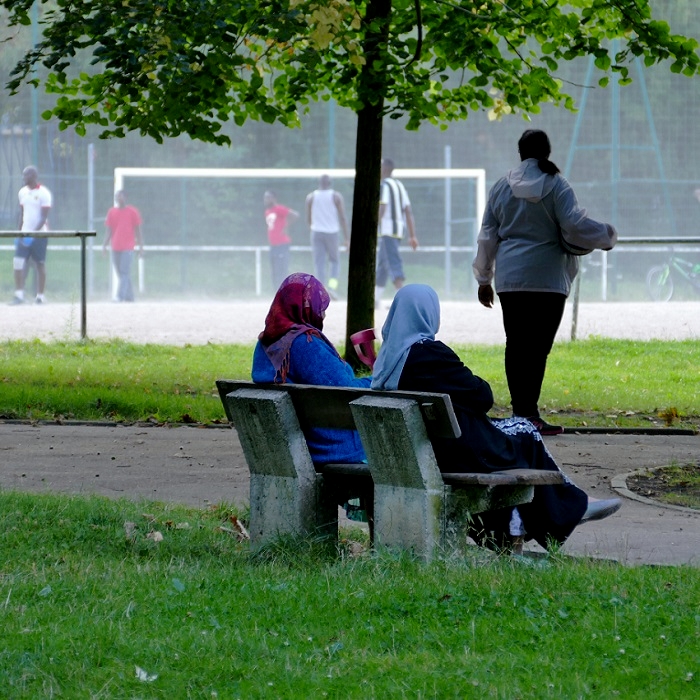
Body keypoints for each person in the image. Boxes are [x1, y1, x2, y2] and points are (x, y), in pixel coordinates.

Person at [371, 284, 621, 551]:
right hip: (458, 453)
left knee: (519, 433)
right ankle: (571, 508)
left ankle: (568, 507)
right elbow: (482, 396)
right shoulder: (429, 353)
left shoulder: (387, 359)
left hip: (418, 452)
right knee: (526, 430)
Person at [473, 129, 617, 436]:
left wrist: (484, 278)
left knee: (516, 345)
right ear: (547, 151)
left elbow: (488, 234)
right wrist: (606, 235)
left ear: (520, 151)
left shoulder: (501, 186)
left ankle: (519, 413)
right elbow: (574, 225)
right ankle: (531, 413)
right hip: (548, 279)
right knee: (538, 348)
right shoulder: (556, 185)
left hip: (510, 279)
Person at [252, 272, 370, 466]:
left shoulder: (265, 344)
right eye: (320, 307)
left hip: (287, 444)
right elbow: (346, 390)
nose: (323, 314)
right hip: (326, 449)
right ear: (305, 306)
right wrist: (376, 380)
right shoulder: (305, 344)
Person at [375, 158, 418, 307]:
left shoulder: (384, 185)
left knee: (393, 263)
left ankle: (401, 299)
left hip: (387, 230)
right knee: (382, 264)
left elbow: (383, 207)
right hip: (398, 231)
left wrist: (374, 225)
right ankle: (375, 298)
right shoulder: (399, 185)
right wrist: (412, 235)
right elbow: (408, 211)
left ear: (384, 169)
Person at [10, 165, 52, 305]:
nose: (23, 178)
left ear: (33, 176)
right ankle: (19, 295)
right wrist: (19, 232)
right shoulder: (22, 192)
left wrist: (33, 233)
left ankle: (40, 296)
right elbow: (22, 214)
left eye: (26, 175)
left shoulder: (44, 193)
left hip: (39, 235)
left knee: (39, 264)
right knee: (18, 262)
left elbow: (43, 217)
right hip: (25, 233)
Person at [306, 174, 349, 300]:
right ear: (330, 183)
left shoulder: (311, 197)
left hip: (316, 231)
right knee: (334, 261)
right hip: (332, 232)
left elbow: (308, 218)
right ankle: (332, 288)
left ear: (319, 183)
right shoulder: (335, 196)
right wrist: (347, 238)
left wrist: (313, 229)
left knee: (319, 262)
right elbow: (342, 217)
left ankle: (320, 289)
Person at [103, 190, 143, 302]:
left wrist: (140, 247)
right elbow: (109, 230)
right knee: (120, 272)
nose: (118, 199)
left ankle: (120, 296)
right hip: (115, 246)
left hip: (128, 247)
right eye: (117, 197)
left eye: (120, 197)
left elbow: (138, 230)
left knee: (124, 271)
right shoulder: (111, 212)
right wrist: (105, 245)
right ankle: (130, 296)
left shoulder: (133, 212)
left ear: (126, 198)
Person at [264, 190, 299, 290]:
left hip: (282, 244)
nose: (265, 200)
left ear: (274, 198)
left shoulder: (278, 209)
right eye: (265, 197)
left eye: (268, 197)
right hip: (273, 245)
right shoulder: (267, 212)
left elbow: (295, 215)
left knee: (281, 269)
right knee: (274, 270)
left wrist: (286, 225)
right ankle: (276, 292)